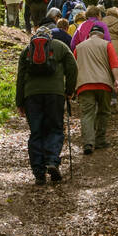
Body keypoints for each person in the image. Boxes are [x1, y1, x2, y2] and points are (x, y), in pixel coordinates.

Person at [16, 11, 77, 185]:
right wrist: (69, 90)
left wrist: (19, 102)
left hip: (31, 96)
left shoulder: (27, 51)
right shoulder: (59, 46)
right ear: (50, 36)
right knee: (55, 128)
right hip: (55, 95)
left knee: (36, 132)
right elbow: (72, 67)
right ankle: (52, 160)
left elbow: (20, 78)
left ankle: (38, 171)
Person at [73, 24, 118, 154]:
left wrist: (71, 86)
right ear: (102, 35)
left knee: (87, 114)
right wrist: (116, 80)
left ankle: (88, 143)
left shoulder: (79, 47)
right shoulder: (107, 45)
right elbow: (114, 64)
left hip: (84, 85)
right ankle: (100, 140)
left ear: (90, 35)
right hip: (104, 84)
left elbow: (73, 68)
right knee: (104, 112)